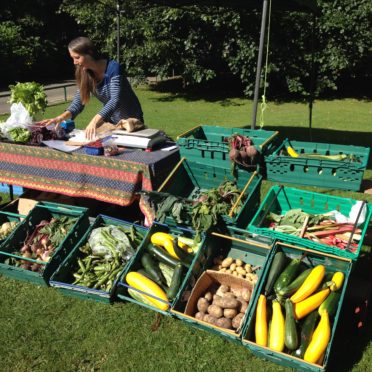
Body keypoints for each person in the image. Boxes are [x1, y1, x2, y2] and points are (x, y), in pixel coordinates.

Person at [41, 36, 144, 139]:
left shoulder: (113, 68)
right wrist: (60, 118)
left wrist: (95, 120)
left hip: (132, 123)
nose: (74, 62)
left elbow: (115, 100)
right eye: (72, 58)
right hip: (113, 123)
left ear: (90, 53)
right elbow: (78, 103)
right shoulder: (84, 73)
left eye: (77, 57)